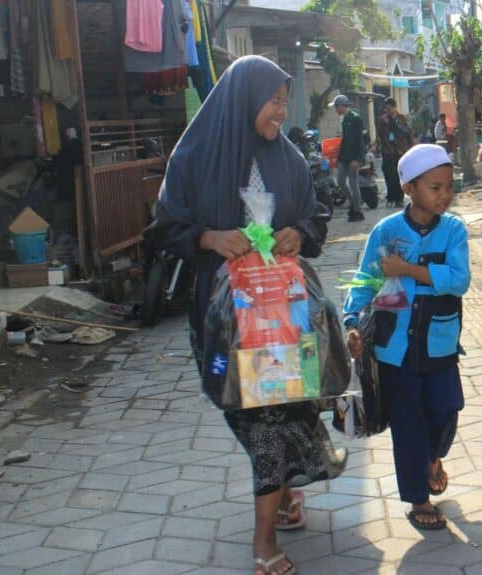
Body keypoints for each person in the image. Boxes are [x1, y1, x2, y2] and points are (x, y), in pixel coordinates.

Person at [150, 55, 342, 575]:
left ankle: (263, 541)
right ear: (243, 98)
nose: (281, 110)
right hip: (223, 320)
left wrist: (299, 232)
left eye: (284, 100)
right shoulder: (193, 157)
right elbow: (165, 226)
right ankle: (278, 489)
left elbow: (317, 214)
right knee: (245, 414)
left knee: (270, 418)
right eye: (273, 100)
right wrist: (210, 238)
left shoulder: (291, 161)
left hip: (284, 314)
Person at [343, 144, 469, 531]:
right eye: (435, 187)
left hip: (440, 344)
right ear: (408, 187)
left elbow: (460, 280)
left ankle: (433, 456)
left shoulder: (453, 231)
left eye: (449, 186)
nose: (444, 195)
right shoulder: (386, 231)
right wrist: (351, 320)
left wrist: (409, 270)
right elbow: (366, 280)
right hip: (394, 348)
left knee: (446, 409)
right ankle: (418, 499)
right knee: (408, 423)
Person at [332, 94, 367, 222]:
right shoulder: (344, 119)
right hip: (343, 156)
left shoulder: (355, 118)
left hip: (353, 157)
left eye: (336, 107)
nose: (335, 110)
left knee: (353, 183)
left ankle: (357, 210)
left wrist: (357, 159)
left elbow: (360, 141)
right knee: (340, 181)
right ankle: (353, 203)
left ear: (341, 106)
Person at [377, 98, 415, 208]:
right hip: (387, 151)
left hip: (400, 151)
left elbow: (408, 133)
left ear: (394, 107)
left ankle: (399, 198)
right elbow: (379, 135)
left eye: (389, 108)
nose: (387, 110)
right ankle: (390, 197)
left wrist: (411, 147)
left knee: (399, 175)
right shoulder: (383, 120)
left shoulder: (402, 118)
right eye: (385, 108)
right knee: (389, 175)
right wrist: (377, 145)